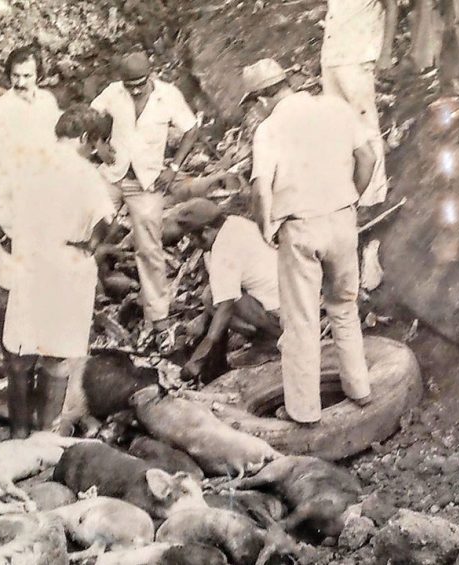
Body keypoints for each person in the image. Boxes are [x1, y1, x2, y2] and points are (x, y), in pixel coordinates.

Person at [244, 58, 376, 424]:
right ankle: (360, 388)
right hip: (342, 219)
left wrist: (265, 228)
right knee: (344, 307)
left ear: (261, 98)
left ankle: (303, 411)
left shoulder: (269, 128)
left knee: (301, 321)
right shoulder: (334, 107)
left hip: (300, 227)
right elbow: (367, 156)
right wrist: (353, 197)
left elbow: (260, 190)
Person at [0, 105, 115, 438]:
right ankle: (46, 437)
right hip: (67, 265)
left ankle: (18, 433)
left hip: (28, 262)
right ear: (84, 138)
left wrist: (4, 238)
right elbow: (107, 220)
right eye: (93, 142)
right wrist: (92, 244)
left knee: (21, 353)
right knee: (57, 355)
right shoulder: (85, 173)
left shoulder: (24, 162)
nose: (94, 149)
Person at [90, 51, 200, 344]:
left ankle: (159, 318)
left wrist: (174, 167)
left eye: (140, 83)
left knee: (149, 248)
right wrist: (98, 144)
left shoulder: (168, 96)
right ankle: (86, 299)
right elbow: (90, 117)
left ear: (151, 76)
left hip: (147, 180)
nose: (135, 90)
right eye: (130, 85)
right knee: (87, 231)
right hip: (113, 175)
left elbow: (191, 129)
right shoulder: (113, 93)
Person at [0, 46, 62, 336]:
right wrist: (3, 185)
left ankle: (36, 338)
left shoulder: (47, 102)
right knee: (8, 280)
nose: (20, 82)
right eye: (15, 76)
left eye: (27, 76)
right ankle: (7, 348)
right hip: (10, 201)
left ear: (40, 75)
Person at [173, 198, 281, 384]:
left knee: (211, 297)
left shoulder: (224, 249)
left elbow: (226, 307)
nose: (191, 243)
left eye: (192, 236)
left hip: (281, 315)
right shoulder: (234, 223)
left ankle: (270, 342)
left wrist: (198, 359)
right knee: (213, 294)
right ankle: (268, 337)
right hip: (287, 299)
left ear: (206, 232)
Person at [321, 0, 398, 207]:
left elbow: (391, 6)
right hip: (331, 56)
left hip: (357, 56)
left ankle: (374, 196)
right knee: (339, 129)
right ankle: (348, 193)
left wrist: (386, 54)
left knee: (365, 126)